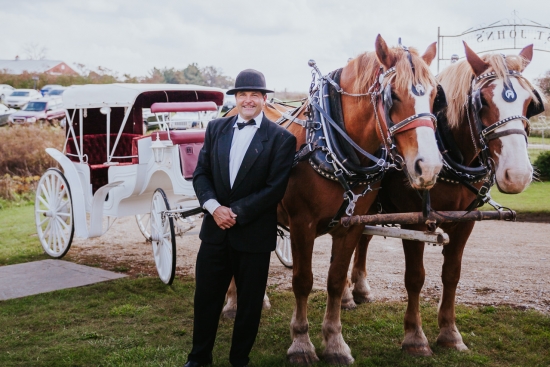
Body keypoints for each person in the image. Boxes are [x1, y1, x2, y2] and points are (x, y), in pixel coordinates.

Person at [185, 69, 297, 367]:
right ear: (235, 98)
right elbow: (201, 174)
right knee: (206, 299)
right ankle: (198, 358)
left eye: (254, 95)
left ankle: (239, 359)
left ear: (264, 99)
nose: (247, 100)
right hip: (214, 232)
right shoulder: (215, 129)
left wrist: (235, 212)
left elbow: (274, 189)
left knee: (249, 305)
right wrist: (213, 207)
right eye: (242, 95)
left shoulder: (281, 139)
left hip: (253, 236)